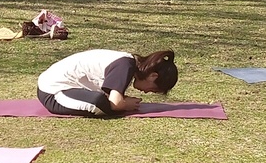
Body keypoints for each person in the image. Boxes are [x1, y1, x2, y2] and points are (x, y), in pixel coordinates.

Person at [35, 48, 178, 118]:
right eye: (153, 89)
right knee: (99, 103)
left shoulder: (128, 63)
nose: (147, 92)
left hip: (60, 87)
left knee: (104, 101)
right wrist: (125, 104)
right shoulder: (125, 66)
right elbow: (115, 103)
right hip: (53, 93)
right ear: (153, 76)